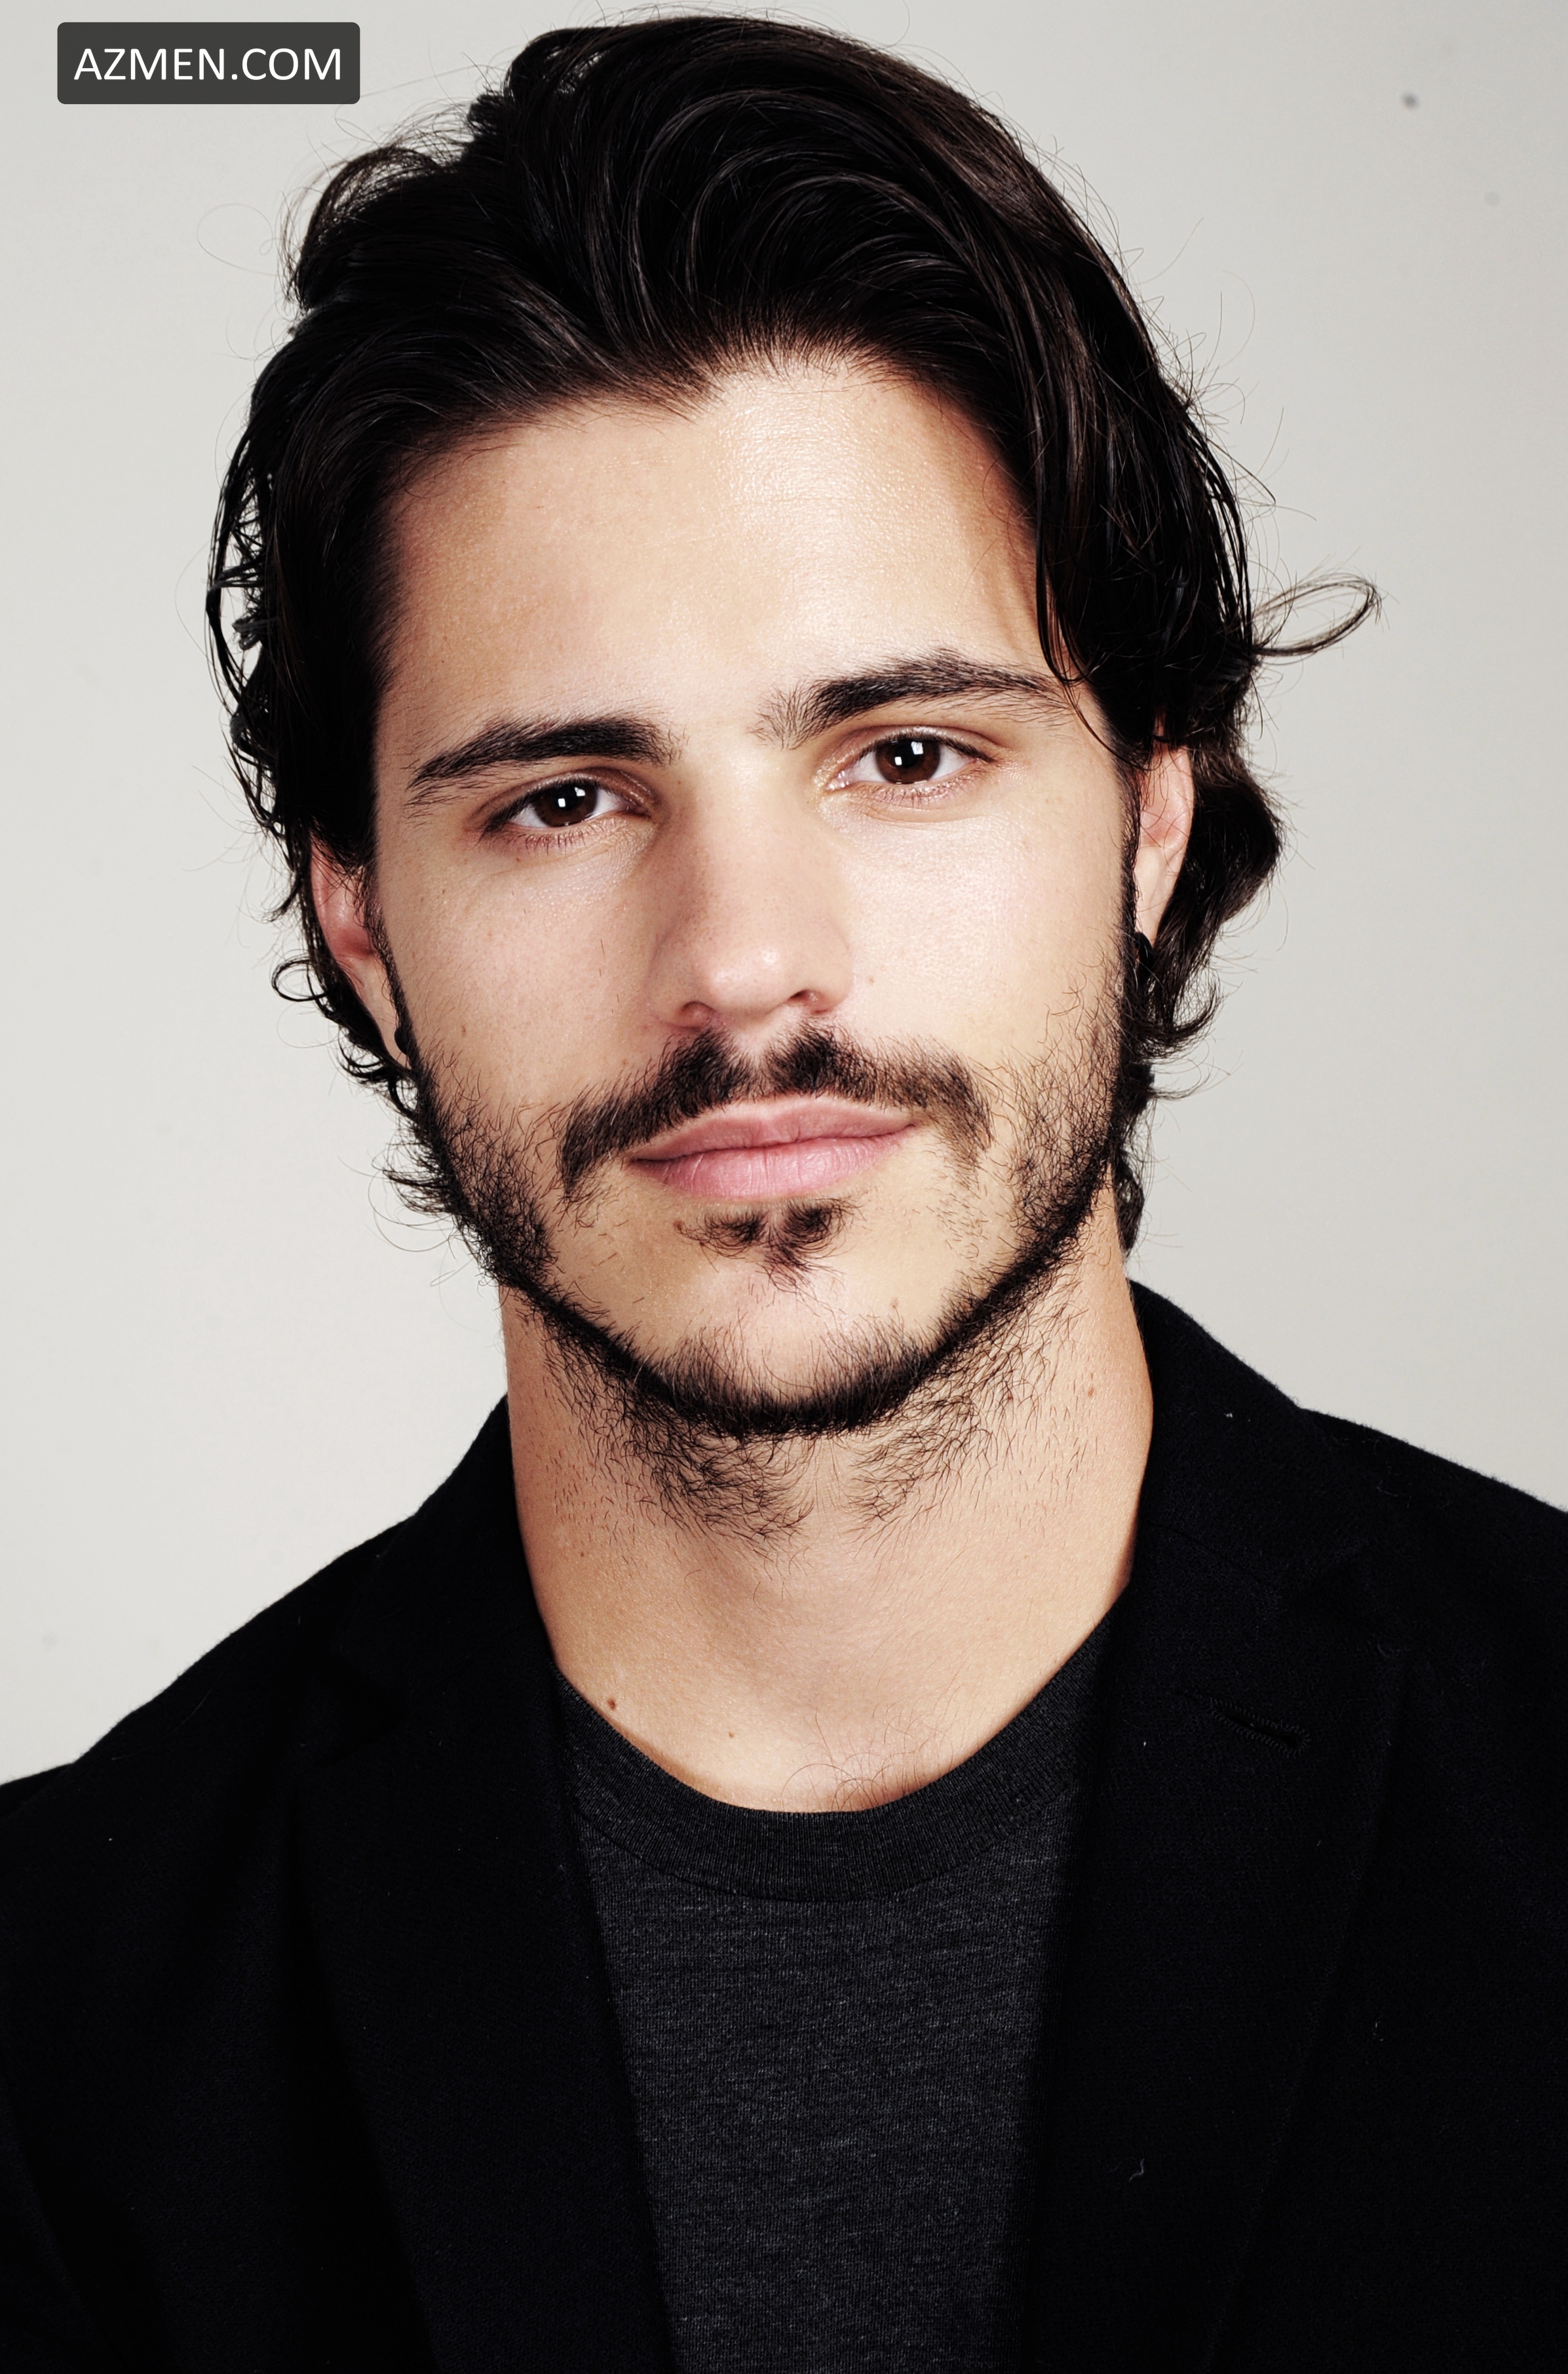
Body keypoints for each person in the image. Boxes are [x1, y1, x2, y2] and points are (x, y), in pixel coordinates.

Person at [1, 16, 1562, 2369]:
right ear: (363, 921)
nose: (741, 961)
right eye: (561, 801)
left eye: (903, 754)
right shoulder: (56, 2033)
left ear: (1147, 819)